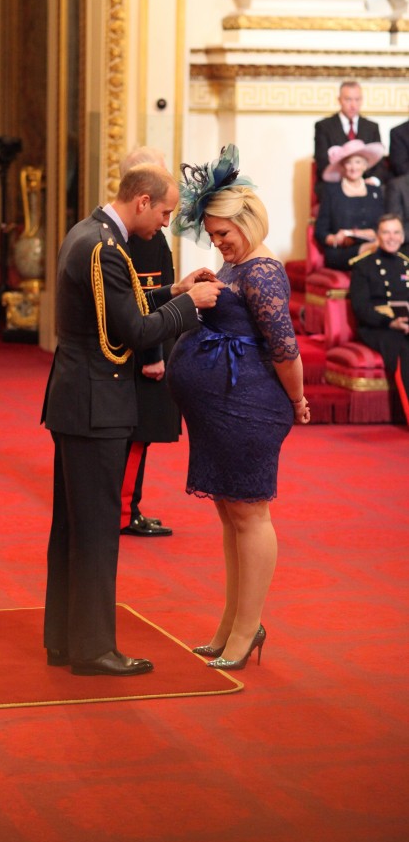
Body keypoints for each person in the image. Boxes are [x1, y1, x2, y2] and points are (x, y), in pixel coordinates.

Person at [42, 163, 224, 676]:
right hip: (96, 404)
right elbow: (133, 332)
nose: (166, 223)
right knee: (97, 530)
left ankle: (66, 640)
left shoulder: (90, 233)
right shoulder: (104, 248)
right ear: (141, 201)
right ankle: (94, 649)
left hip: (79, 400)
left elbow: (119, 307)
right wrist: (190, 304)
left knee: (73, 528)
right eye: (165, 212)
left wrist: (171, 290)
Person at [167, 145, 310, 671]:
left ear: (248, 223)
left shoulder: (263, 271)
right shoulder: (235, 267)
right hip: (221, 411)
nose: (218, 243)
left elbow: (285, 349)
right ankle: (233, 623)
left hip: (249, 409)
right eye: (212, 234)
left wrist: (297, 399)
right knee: (231, 515)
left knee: (249, 514)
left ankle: (247, 629)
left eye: (225, 234)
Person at [118, 146, 181, 538]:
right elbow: (145, 297)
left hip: (141, 347)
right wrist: (154, 356)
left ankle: (128, 507)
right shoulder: (144, 235)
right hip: (144, 353)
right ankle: (125, 511)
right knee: (136, 436)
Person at [349, 214, 409, 425]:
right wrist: (390, 322)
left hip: (405, 325)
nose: (391, 237)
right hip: (378, 327)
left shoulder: (406, 264)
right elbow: (361, 307)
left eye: (396, 232)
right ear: (377, 236)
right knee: (404, 348)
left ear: (402, 237)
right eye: (386, 232)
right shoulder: (363, 266)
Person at [314, 138, 385, 270]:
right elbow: (320, 231)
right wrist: (336, 239)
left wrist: (370, 234)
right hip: (341, 252)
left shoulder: (375, 192)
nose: (354, 167)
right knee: (377, 251)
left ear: (365, 165)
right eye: (349, 163)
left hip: (374, 245)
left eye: (358, 162)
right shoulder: (331, 192)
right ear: (342, 166)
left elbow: (382, 226)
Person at [314, 80, 384, 196]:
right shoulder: (324, 126)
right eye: (348, 99)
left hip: (366, 185)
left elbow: (379, 164)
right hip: (335, 184)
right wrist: (349, 184)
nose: (353, 105)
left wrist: (373, 180)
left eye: (357, 99)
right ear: (339, 100)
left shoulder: (371, 127)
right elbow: (322, 163)